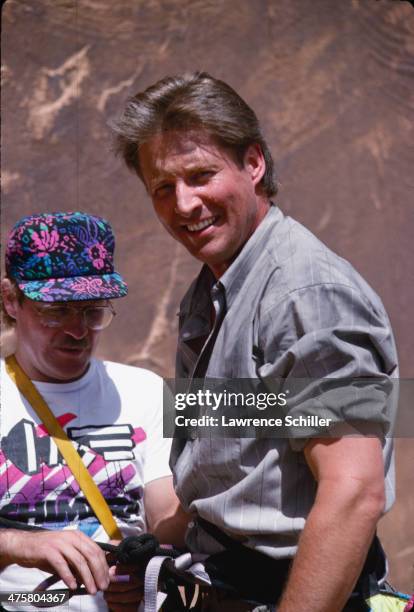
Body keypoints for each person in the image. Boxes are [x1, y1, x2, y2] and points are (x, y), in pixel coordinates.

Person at [112, 72, 399, 611]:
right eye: (162, 188)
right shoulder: (215, 289)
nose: (184, 205)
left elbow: (354, 492)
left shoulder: (307, 294)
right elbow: (238, 461)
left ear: (253, 162)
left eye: (201, 175)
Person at [0, 211, 186, 612]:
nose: (78, 330)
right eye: (56, 311)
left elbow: (165, 513)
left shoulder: (147, 391)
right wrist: (20, 544)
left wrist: (148, 567)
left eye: (91, 311)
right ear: (11, 300)